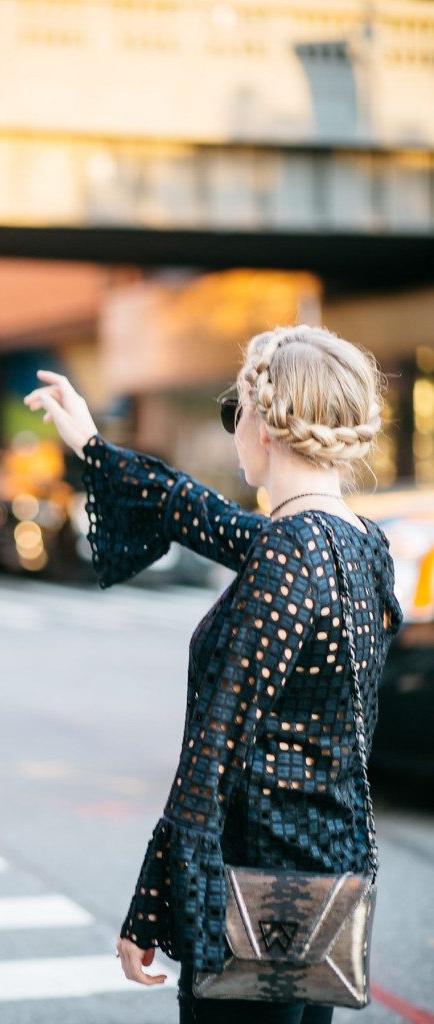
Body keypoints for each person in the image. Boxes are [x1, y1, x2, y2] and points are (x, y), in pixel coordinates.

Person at [22, 325, 404, 1024]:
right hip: (320, 890)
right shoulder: (358, 546)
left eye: (237, 410)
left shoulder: (288, 555)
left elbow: (210, 764)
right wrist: (90, 447)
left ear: (265, 423)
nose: (235, 427)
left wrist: (145, 910)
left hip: (251, 899)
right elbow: (193, 510)